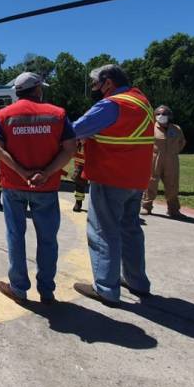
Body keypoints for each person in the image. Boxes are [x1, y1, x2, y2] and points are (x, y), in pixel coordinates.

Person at [71, 64, 154, 307]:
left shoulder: (112, 105)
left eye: (96, 84)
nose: (95, 89)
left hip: (111, 177)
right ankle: (137, 281)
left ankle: (106, 288)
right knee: (131, 230)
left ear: (108, 82)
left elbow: (75, 129)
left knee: (103, 231)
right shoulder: (142, 102)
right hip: (136, 179)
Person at [0, 72, 77, 306]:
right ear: (38, 89)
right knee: (48, 239)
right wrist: (46, 173)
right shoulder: (57, 115)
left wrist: (22, 172)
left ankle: (18, 288)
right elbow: (70, 148)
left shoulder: (3, 115)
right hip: (46, 187)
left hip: (14, 186)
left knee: (16, 237)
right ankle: (47, 291)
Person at [142, 105, 186, 218]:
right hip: (154, 159)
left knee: (172, 185)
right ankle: (146, 207)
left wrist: (173, 152)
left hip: (172, 160)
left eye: (164, 114)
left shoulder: (176, 129)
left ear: (169, 116)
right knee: (151, 182)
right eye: (158, 114)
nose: (161, 116)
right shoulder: (150, 127)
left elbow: (181, 142)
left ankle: (173, 209)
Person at [72, 140, 87, 212]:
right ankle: (78, 202)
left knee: (97, 183)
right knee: (79, 181)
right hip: (80, 161)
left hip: (93, 158)